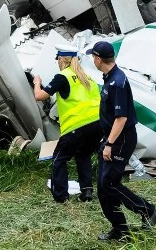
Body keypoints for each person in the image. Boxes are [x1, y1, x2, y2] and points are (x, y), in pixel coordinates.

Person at [88, 40, 156, 241]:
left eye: (93, 57)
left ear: (98, 58)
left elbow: (121, 118)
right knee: (103, 187)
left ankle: (147, 210)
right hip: (109, 138)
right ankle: (119, 230)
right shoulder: (109, 78)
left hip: (120, 139)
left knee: (109, 183)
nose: (92, 60)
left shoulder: (118, 82)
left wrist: (109, 144)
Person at [33, 44, 102, 203]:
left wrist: (37, 82)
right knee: (83, 154)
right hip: (97, 123)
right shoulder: (87, 77)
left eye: (57, 59)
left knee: (59, 158)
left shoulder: (63, 76)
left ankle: (61, 196)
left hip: (77, 124)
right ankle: (86, 192)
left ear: (62, 59)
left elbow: (39, 96)